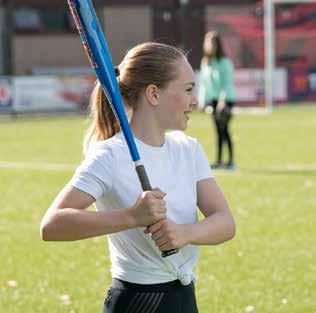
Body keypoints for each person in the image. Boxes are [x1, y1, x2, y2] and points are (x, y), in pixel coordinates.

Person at [40, 42, 235, 313]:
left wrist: (184, 233)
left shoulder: (188, 149)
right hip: (137, 302)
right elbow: (52, 225)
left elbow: (225, 223)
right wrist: (132, 217)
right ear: (153, 94)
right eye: (188, 89)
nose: (195, 101)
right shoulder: (110, 155)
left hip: (185, 298)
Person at [198, 31, 236, 170]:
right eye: (208, 43)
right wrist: (202, 102)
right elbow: (203, 84)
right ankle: (219, 161)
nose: (210, 46)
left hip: (226, 100)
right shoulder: (206, 62)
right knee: (217, 131)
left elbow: (227, 83)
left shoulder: (225, 62)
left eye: (212, 43)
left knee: (225, 129)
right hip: (214, 100)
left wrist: (223, 100)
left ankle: (231, 161)